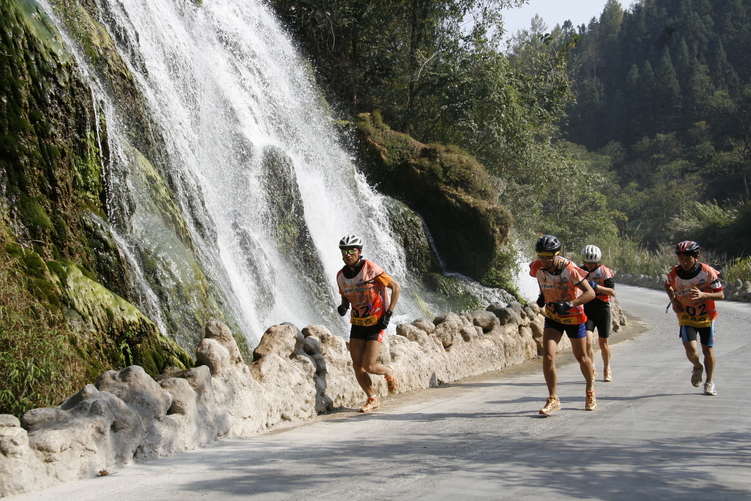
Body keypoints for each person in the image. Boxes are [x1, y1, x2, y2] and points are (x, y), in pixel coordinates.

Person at [531, 235, 597, 415]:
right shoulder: (537, 267)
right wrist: (542, 297)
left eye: (548, 256)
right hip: (553, 317)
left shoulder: (570, 269)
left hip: (574, 317)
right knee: (548, 356)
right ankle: (553, 398)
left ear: (557, 254)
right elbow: (542, 281)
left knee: (582, 357)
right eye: (541, 256)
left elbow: (590, 293)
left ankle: (590, 390)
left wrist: (570, 304)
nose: (544, 260)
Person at [336, 234, 401, 412]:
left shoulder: (371, 269)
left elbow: (396, 287)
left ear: (359, 252)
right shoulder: (341, 276)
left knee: (369, 365)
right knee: (357, 365)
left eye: (352, 251)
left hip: (376, 322)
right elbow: (345, 297)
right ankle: (372, 398)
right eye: (345, 251)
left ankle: (389, 372)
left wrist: (389, 313)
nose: (348, 254)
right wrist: (343, 307)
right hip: (357, 322)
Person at [663, 241, 724, 396]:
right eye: (681, 259)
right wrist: (674, 300)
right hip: (686, 316)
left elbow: (721, 294)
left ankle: (709, 382)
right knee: (690, 349)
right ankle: (697, 366)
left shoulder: (708, 272)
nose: (684, 262)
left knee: (707, 349)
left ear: (697, 257)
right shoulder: (675, 273)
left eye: (687, 259)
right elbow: (667, 285)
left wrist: (703, 294)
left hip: (706, 317)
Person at [580, 245, 617, 383]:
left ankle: (607, 368)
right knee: (588, 342)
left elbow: (612, 292)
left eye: (592, 263)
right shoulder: (579, 271)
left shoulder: (605, 272)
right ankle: (592, 368)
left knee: (603, 344)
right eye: (587, 262)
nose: (589, 266)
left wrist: (596, 286)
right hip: (588, 308)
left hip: (602, 308)